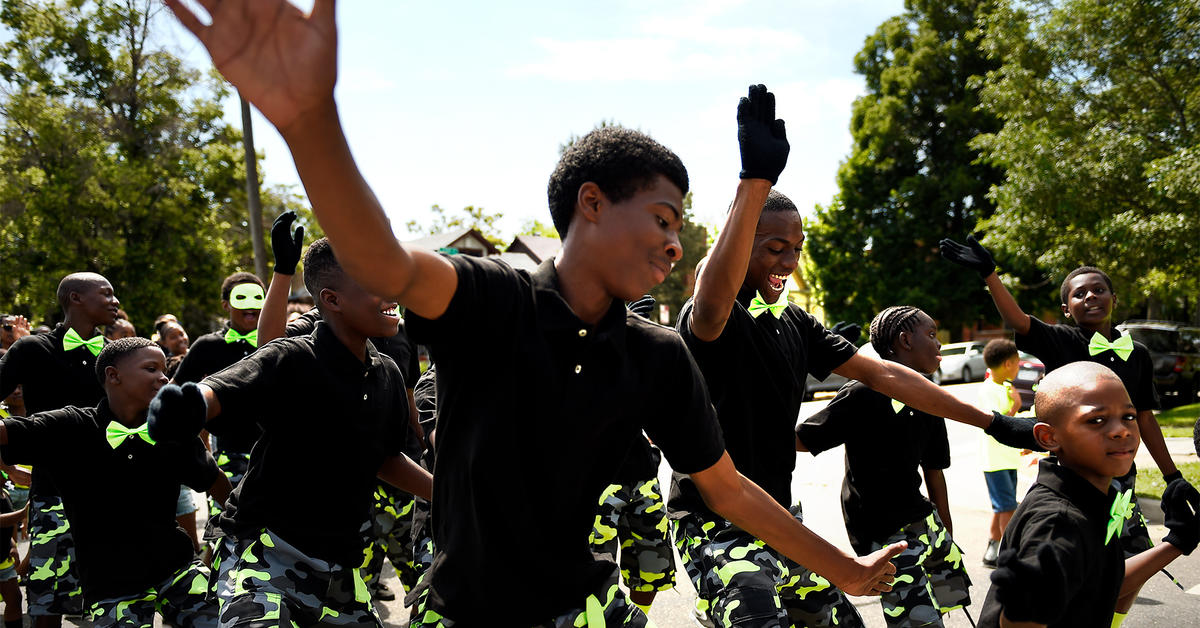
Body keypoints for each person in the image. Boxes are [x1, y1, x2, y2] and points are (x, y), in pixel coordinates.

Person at [164, 6, 910, 622]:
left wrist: (843, 568)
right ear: (591, 203)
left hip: (584, 607)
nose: (674, 245)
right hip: (465, 610)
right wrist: (307, 121)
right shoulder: (490, 299)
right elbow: (386, 261)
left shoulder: (655, 355)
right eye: (660, 220)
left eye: (680, 228)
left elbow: (726, 487)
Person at [674, 175, 1034, 625]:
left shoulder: (797, 323)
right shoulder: (712, 315)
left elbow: (883, 373)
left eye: (797, 247)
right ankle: (718, 599)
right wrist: (754, 183)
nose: (789, 261)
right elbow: (711, 291)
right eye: (773, 247)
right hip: (716, 526)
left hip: (781, 520)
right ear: (739, 239)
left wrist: (994, 423)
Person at [147, 238, 432, 626]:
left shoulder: (387, 372)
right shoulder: (293, 357)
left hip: (340, 568)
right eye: (371, 282)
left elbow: (385, 457)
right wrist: (191, 404)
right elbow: (226, 386)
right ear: (332, 300)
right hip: (266, 554)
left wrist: (448, 492)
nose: (390, 292)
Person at [940, 236, 1196, 622]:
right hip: (1075, 474)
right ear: (1066, 307)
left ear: (1113, 298)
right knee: (1074, 561)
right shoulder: (1062, 340)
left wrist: (1172, 476)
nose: (1091, 296)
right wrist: (991, 274)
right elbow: (1019, 320)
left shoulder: (1137, 354)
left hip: (1120, 482)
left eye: (1099, 289)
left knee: (1127, 563)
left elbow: (1145, 416)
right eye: (1080, 293)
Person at [0, 338, 227, 627]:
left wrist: (245, 523)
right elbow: (7, 432)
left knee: (225, 620)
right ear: (113, 375)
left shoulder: (171, 429)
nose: (164, 377)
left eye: (164, 370)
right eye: (151, 368)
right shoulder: (70, 426)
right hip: (112, 585)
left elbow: (214, 481)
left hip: (177, 569)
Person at [257, 210, 424, 602]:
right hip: (331, 494)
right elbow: (271, 351)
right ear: (334, 301)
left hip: (394, 460)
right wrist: (283, 273)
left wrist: (428, 446)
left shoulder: (397, 331)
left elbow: (411, 395)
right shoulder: (322, 325)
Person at [977, 361, 1199, 627]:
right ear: (1048, 437)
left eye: (1128, 416)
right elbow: (1024, 620)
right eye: (1097, 420)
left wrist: (1176, 542)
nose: (1121, 430)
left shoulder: (1090, 495)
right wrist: (1024, 614)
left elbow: (1102, 584)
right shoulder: (1058, 522)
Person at [796, 306, 970, 627]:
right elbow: (804, 439)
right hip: (883, 529)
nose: (938, 344)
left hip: (922, 519)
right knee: (917, 618)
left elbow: (934, 469)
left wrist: (945, 531)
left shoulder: (929, 396)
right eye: (931, 335)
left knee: (949, 596)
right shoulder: (862, 393)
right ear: (905, 341)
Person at [0, 271, 120, 627]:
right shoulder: (32, 349)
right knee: (47, 602)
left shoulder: (117, 355)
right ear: (75, 299)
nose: (115, 301)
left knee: (116, 600)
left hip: (114, 493)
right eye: (106, 293)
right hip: (54, 494)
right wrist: (5, 463)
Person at [588, 296, 676, 616]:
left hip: (640, 474)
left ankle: (638, 622)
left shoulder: (641, 347)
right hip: (596, 482)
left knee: (652, 570)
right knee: (597, 577)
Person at [172, 272, 265, 516]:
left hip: (277, 452)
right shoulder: (206, 346)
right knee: (229, 529)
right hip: (228, 455)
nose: (251, 306)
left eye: (257, 298)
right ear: (226, 304)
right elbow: (174, 392)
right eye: (242, 298)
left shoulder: (278, 341)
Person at [976, 339, 1026, 568]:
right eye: (1018, 364)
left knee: (1001, 507)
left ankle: (992, 551)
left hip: (1007, 459)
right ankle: (1010, 555)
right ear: (1008, 364)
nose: (1019, 368)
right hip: (995, 461)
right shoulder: (987, 390)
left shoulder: (1003, 386)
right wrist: (1015, 405)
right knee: (1007, 508)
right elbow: (996, 423)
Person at [0, 491, 24, 628]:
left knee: (15, 599)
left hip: (4, 562)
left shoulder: (4, 493)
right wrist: (22, 514)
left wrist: (13, 545)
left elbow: (9, 524)